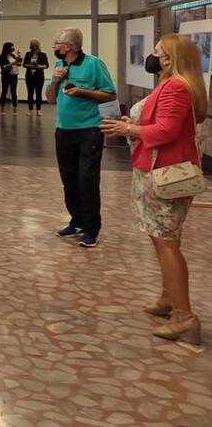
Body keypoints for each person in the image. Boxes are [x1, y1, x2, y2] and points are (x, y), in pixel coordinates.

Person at [100, 34, 207, 345]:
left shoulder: (175, 86)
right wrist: (131, 123)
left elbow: (165, 131)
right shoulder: (174, 83)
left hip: (164, 175)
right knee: (163, 242)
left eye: (156, 52)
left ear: (169, 58)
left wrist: (128, 129)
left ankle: (183, 315)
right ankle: (168, 298)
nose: (151, 56)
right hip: (158, 171)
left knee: (167, 244)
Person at [47, 28, 116, 248]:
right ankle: (76, 221)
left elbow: (110, 94)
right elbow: (49, 99)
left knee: (87, 179)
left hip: (89, 130)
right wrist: (56, 82)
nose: (54, 47)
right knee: (69, 180)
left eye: (57, 43)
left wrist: (82, 92)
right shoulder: (59, 66)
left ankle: (91, 228)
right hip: (63, 131)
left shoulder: (94, 64)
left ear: (69, 46)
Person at [23, 40, 49, 116]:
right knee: (30, 93)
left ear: (38, 45)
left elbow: (46, 65)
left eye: (35, 45)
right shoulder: (28, 54)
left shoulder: (43, 55)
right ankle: (30, 110)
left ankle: (38, 110)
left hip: (39, 76)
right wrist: (30, 65)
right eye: (32, 45)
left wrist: (39, 66)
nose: (33, 47)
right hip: (29, 76)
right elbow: (24, 64)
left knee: (38, 93)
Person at [0, 42, 21, 116]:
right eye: (11, 47)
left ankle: (15, 109)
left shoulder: (12, 55)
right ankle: (2, 109)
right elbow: (3, 67)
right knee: (4, 91)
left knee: (14, 92)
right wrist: (12, 64)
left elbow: (19, 64)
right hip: (6, 75)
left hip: (14, 75)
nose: (12, 48)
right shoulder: (2, 56)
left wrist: (19, 57)